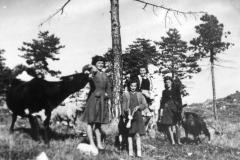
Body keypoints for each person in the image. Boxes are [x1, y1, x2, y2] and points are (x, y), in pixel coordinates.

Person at [81, 55, 112, 151]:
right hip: (93, 99)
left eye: (102, 63)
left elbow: (108, 89)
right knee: (90, 122)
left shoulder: (105, 74)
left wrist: (108, 98)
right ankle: (91, 143)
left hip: (102, 100)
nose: (100, 64)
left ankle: (99, 144)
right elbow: (84, 71)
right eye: (98, 62)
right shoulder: (92, 71)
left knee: (98, 124)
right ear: (95, 63)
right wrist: (89, 71)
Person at [122, 78, 147, 157]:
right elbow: (124, 106)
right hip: (129, 116)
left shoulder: (140, 94)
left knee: (137, 134)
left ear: (137, 86)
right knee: (130, 134)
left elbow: (145, 105)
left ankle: (139, 151)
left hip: (138, 115)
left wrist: (139, 107)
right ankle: (130, 151)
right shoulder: (126, 94)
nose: (133, 87)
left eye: (135, 86)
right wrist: (126, 112)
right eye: (131, 86)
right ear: (129, 86)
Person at [158, 76, 183, 146]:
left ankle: (179, 141)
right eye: (166, 82)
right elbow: (162, 102)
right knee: (169, 125)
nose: (167, 83)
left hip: (175, 108)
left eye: (169, 82)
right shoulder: (164, 91)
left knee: (178, 125)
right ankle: (173, 141)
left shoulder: (176, 90)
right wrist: (161, 110)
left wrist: (180, 109)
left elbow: (180, 100)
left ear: (172, 83)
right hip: (167, 109)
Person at [137, 66, 153, 131]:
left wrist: (150, 94)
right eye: (141, 70)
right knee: (143, 113)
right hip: (141, 95)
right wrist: (143, 92)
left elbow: (151, 87)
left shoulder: (149, 77)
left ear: (146, 71)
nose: (142, 72)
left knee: (149, 115)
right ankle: (141, 129)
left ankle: (145, 128)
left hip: (148, 97)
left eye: (144, 70)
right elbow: (137, 88)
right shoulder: (138, 78)